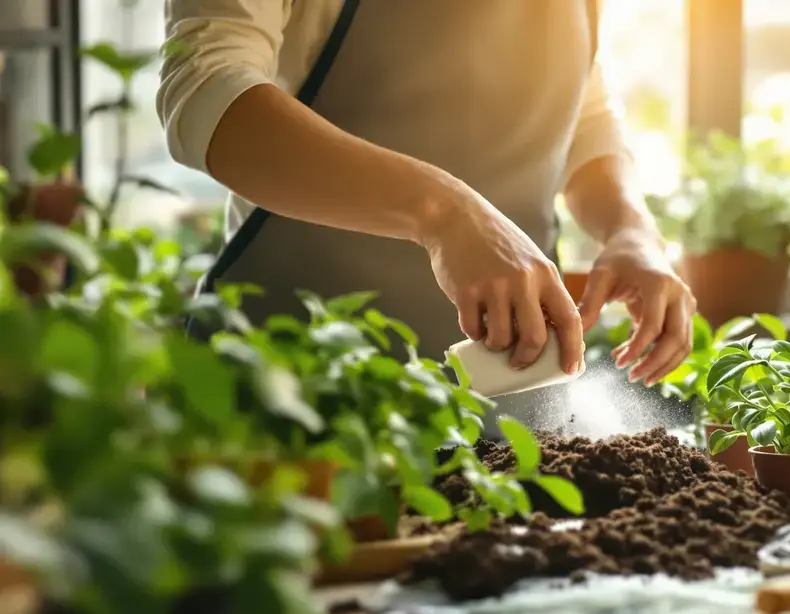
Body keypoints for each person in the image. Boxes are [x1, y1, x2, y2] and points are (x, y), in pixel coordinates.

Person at [157, 0, 695, 395]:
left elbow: (586, 111)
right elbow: (208, 92)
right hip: (287, 389)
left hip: (511, 399)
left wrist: (631, 227)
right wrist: (443, 214)